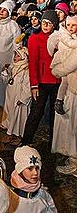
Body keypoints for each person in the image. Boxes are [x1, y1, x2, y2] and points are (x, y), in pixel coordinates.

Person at [22, 10, 61, 146]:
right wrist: (34, 85)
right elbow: (33, 63)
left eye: (49, 23)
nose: (45, 25)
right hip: (41, 83)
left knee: (55, 115)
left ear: (54, 25)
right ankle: (26, 141)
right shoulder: (34, 38)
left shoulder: (59, 38)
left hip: (57, 81)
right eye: (44, 22)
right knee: (36, 112)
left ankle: (54, 143)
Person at [50, 14, 77, 175]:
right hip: (71, 90)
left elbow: (65, 69)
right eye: (69, 26)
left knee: (74, 126)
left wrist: (57, 69)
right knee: (70, 126)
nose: (71, 29)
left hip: (75, 92)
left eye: (74, 26)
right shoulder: (67, 43)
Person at [9, 146, 57, 211]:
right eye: (30, 168)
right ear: (20, 171)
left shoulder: (43, 195)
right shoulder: (10, 200)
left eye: (37, 168)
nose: (35, 173)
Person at [1, 44, 31, 143]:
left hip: (19, 97)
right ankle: (10, 132)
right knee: (10, 114)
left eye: (18, 55)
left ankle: (18, 136)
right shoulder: (13, 66)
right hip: (10, 95)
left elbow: (28, 86)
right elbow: (6, 80)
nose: (15, 57)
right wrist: (4, 73)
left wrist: (23, 98)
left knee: (18, 117)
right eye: (15, 55)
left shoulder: (26, 69)